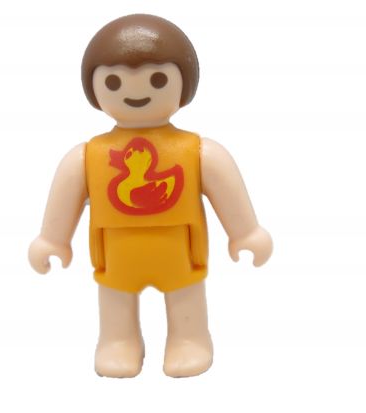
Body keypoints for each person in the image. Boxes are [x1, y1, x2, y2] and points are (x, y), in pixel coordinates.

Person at [28, 14, 273, 378]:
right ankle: (118, 341)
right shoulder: (88, 157)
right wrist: (53, 239)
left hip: (178, 246)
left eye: (158, 79)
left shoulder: (197, 152)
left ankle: (189, 338)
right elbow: (66, 194)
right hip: (116, 250)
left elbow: (226, 187)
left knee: (185, 292)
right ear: (93, 88)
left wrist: (245, 232)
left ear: (185, 82)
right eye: (113, 81)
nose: (135, 91)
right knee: (115, 296)